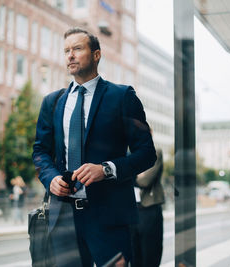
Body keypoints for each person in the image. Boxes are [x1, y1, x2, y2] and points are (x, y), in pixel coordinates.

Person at [33, 27, 156, 266]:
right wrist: (51, 179)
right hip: (64, 218)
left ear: (96, 55)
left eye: (77, 49)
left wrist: (106, 169)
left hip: (109, 218)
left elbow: (147, 154)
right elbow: (40, 152)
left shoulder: (122, 97)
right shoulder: (52, 102)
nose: (70, 55)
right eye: (66, 50)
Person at [131, 147, 165, 267]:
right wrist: (137, 173)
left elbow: (145, 181)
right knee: (134, 257)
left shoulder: (154, 152)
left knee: (150, 255)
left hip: (149, 209)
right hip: (131, 210)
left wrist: (127, 171)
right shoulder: (124, 152)